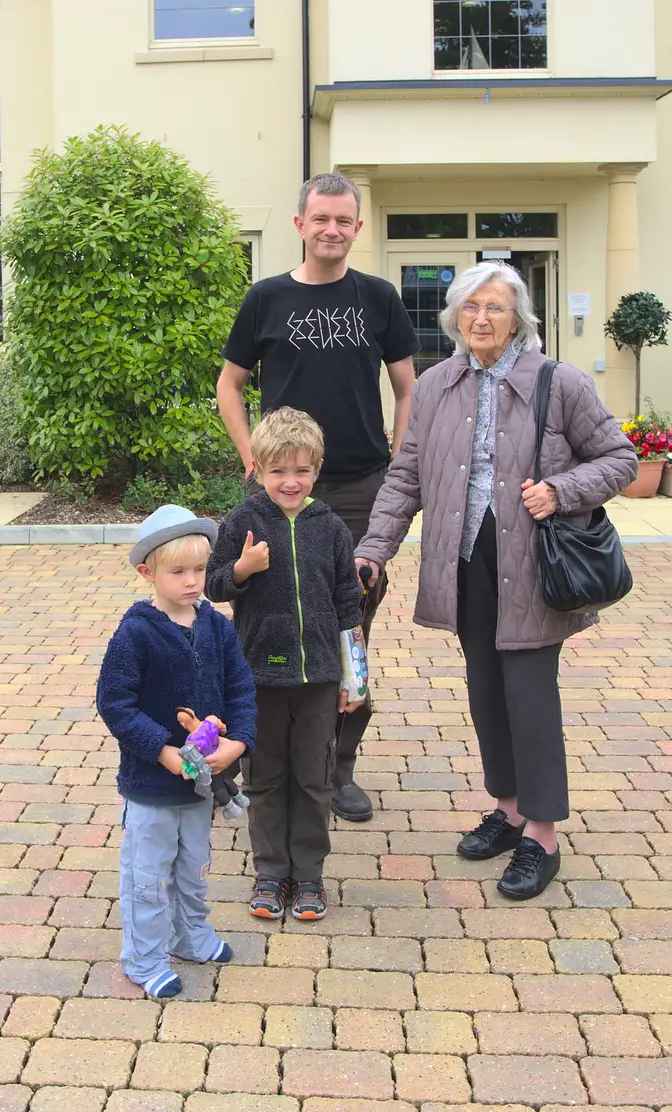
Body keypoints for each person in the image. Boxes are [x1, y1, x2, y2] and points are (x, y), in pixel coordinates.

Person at [353, 262, 637, 901]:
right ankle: (509, 810)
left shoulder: (558, 383)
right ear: (455, 317)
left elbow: (621, 458)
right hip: (463, 556)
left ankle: (542, 833)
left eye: (497, 308)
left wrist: (563, 491)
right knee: (485, 687)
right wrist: (374, 550)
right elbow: (405, 477)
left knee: (529, 693)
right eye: (471, 308)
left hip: (532, 560)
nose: (482, 319)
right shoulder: (433, 386)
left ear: (519, 320)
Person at [216, 171, 418, 823]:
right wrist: (254, 457)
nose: (333, 229)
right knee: (265, 621)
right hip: (280, 493)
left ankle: (338, 767)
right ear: (300, 225)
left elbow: (408, 388)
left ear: (358, 229)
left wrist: (398, 462)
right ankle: (258, 759)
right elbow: (230, 384)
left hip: (359, 489)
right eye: (320, 218)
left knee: (347, 631)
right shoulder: (265, 299)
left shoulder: (380, 300)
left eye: (344, 220)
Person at [206, 408, 365, 920]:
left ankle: (310, 877)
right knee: (266, 778)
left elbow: (348, 604)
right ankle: (271, 874)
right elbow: (212, 585)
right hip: (259, 678)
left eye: (300, 471)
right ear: (257, 469)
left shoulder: (331, 528)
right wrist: (242, 569)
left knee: (313, 780)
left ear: (316, 470)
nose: (290, 482)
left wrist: (353, 675)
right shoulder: (242, 522)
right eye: (278, 472)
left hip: (319, 678)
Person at [96, 505, 257, 997]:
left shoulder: (217, 626)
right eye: (178, 572)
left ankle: (189, 935)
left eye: (200, 570)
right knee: (148, 874)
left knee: (193, 866)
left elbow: (241, 688)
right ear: (148, 572)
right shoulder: (136, 633)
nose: (192, 582)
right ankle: (143, 958)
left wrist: (238, 742)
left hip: (202, 785)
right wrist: (162, 750)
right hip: (151, 786)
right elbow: (115, 704)